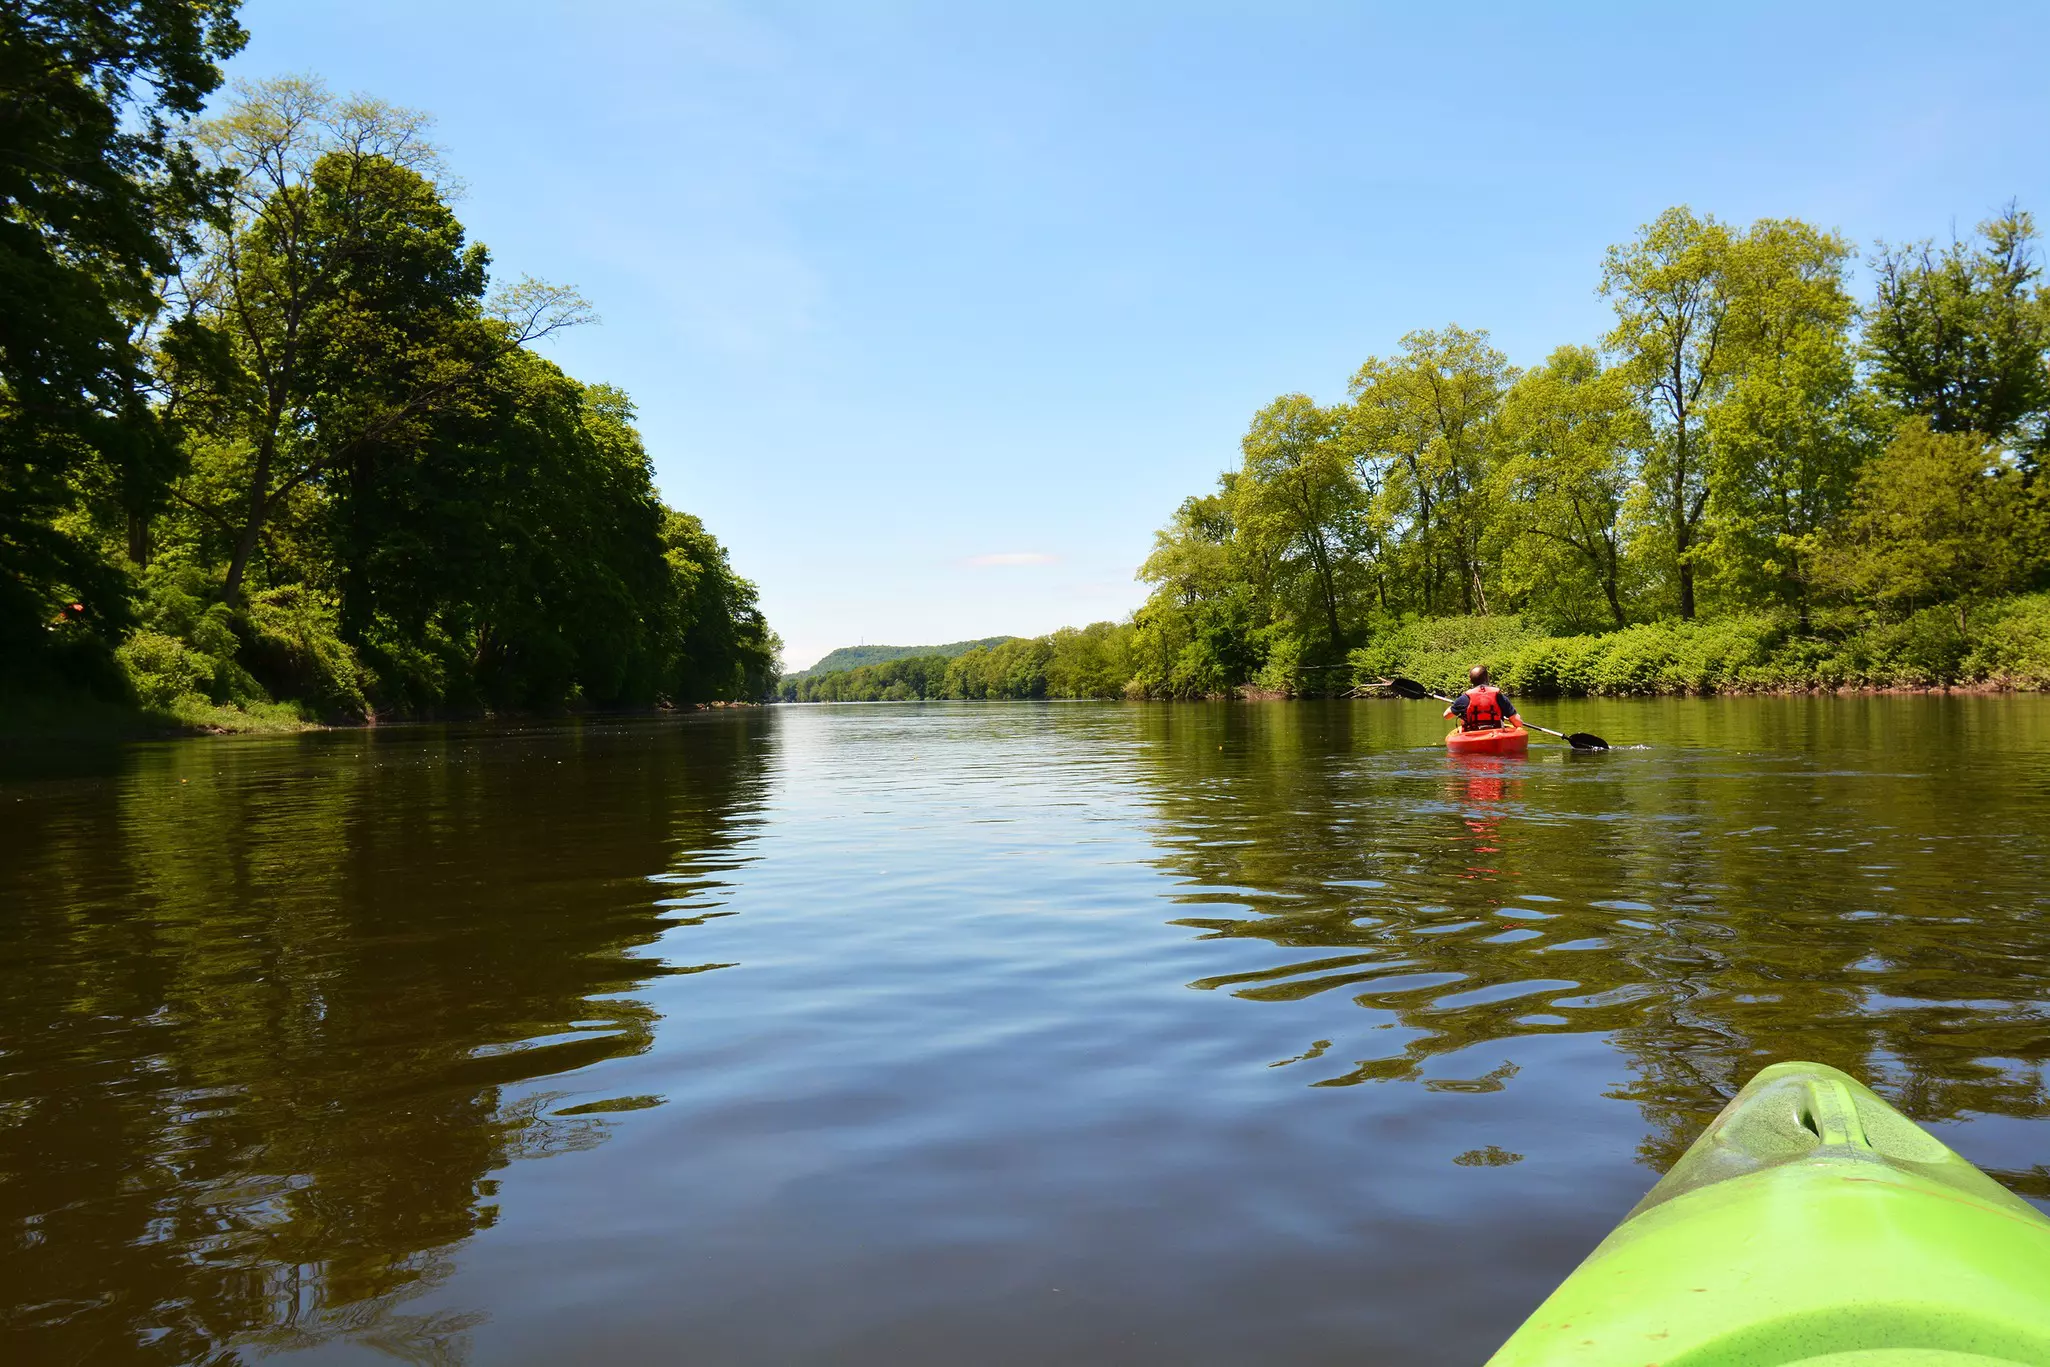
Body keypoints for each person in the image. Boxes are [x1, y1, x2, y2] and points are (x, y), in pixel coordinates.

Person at [1445, 664, 1519, 732]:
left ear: (1470, 681)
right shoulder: (1499, 696)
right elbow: (1517, 722)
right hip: (1495, 735)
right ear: (1487, 678)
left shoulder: (1464, 699)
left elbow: (1446, 716)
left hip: (1471, 736)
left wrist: (1457, 707)